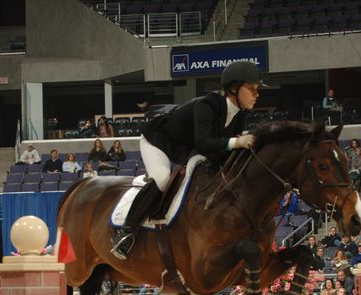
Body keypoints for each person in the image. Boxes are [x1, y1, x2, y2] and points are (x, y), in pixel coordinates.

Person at [111, 61, 262, 259]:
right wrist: (237, 142)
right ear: (234, 88)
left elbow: (222, 150)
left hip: (184, 149)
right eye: (251, 89)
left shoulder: (240, 115)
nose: (256, 95)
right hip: (159, 141)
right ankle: (126, 232)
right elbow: (203, 143)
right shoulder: (207, 105)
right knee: (162, 178)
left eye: (257, 90)